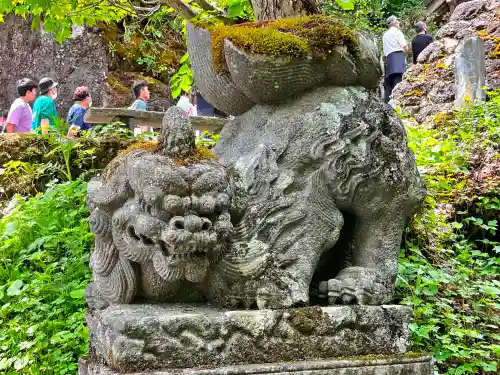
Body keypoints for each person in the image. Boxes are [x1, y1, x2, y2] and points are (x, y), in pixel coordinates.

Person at [383, 15, 408, 103]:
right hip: (398, 57)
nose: (398, 22)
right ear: (394, 22)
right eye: (397, 21)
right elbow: (405, 47)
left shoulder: (385, 35)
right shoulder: (397, 32)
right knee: (398, 82)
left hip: (388, 59)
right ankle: (398, 103)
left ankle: (387, 104)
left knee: (389, 84)